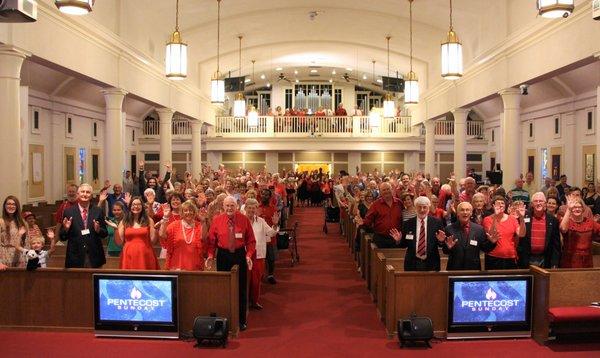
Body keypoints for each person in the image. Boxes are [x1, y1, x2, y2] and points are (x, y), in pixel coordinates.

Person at [206, 196, 256, 331]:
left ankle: (241, 320)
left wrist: (249, 255)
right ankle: (224, 319)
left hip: (240, 255)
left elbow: (251, 241)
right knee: (224, 288)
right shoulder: (217, 220)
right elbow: (211, 242)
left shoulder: (244, 220)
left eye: (232, 206)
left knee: (241, 288)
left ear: (237, 206)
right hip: (223, 255)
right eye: (227, 206)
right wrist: (210, 255)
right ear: (223, 207)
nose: (229, 208)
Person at [59, 184, 108, 268]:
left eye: (88, 192)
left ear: (91, 196)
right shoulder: (69, 212)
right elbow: (62, 237)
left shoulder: (97, 211)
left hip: (94, 256)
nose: (85, 194)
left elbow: (105, 234)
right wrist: (66, 229)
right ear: (78, 194)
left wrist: (98, 230)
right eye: (82, 192)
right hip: (75, 257)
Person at [439, 202, 498, 270]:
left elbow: (485, 249)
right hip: (454, 269)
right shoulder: (449, 229)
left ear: (471, 213)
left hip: (473, 270)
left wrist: (492, 242)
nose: (465, 212)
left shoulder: (479, 229)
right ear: (458, 213)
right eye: (462, 210)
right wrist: (448, 247)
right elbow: (445, 251)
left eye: (467, 210)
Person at [391, 196, 444, 271]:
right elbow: (403, 245)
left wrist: (441, 241)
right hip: (412, 263)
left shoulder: (437, 223)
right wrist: (398, 240)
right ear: (415, 208)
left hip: (432, 263)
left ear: (428, 208)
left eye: (424, 207)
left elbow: (441, 244)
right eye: (419, 207)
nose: (422, 210)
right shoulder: (408, 224)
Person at [107, 196, 159, 270]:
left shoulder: (149, 220)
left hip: (145, 254)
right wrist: (116, 229)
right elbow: (119, 242)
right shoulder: (124, 221)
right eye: (133, 204)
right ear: (130, 206)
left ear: (142, 206)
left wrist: (156, 229)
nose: (136, 206)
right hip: (128, 254)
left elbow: (153, 241)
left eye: (138, 204)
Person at [244, 198, 278, 310]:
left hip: (258, 255)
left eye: (253, 208)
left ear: (256, 209)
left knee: (256, 280)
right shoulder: (241, 221)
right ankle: (245, 302)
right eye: (249, 208)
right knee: (245, 279)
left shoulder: (261, 221)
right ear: (245, 208)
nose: (251, 210)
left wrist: (275, 225)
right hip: (244, 255)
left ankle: (255, 301)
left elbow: (271, 233)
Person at [517, 192, 561, 269]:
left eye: (541, 201)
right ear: (531, 204)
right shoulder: (523, 217)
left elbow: (556, 245)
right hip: (526, 259)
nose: (538, 203)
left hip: (545, 259)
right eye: (535, 201)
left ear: (545, 204)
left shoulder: (553, 220)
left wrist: (555, 263)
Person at [481, 196, 526, 270]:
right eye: (498, 203)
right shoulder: (487, 219)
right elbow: (492, 235)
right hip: (493, 258)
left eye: (502, 203)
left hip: (511, 257)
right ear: (493, 206)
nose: (501, 205)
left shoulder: (512, 219)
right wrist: (495, 216)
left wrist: (521, 218)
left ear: (505, 206)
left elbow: (521, 234)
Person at [158, 200, 204, 271]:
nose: (188, 212)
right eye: (185, 210)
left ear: (194, 212)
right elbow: (162, 234)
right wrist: (165, 217)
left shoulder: (199, 226)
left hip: (195, 267)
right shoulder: (174, 225)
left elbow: (204, 238)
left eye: (191, 210)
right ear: (181, 213)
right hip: (176, 266)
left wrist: (203, 221)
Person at [559, 197, 600, 268]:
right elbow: (563, 229)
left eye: (579, 207)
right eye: (574, 207)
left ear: (583, 208)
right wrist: (569, 209)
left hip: (587, 262)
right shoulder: (567, 221)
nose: (577, 209)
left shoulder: (590, 222)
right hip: (570, 262)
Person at [360, 182, 402, 248]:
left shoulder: (399, 203)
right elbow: (368, 220)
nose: (386, 191)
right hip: (381, 239)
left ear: (392, 190)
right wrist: (362, 223)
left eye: (388, 189)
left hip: (396, 239)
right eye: (384, 190)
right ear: (380, 192)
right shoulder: (376, 205)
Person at [0, 196, 27, 268]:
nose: (11, 206)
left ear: (17, 206)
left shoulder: (23, 222)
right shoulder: (1, 222)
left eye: (13, 204)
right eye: (8, 204)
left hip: (20, 257)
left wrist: (27, 258)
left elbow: (27, 242)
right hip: (5, 257)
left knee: (20, 279)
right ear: (4, 206)